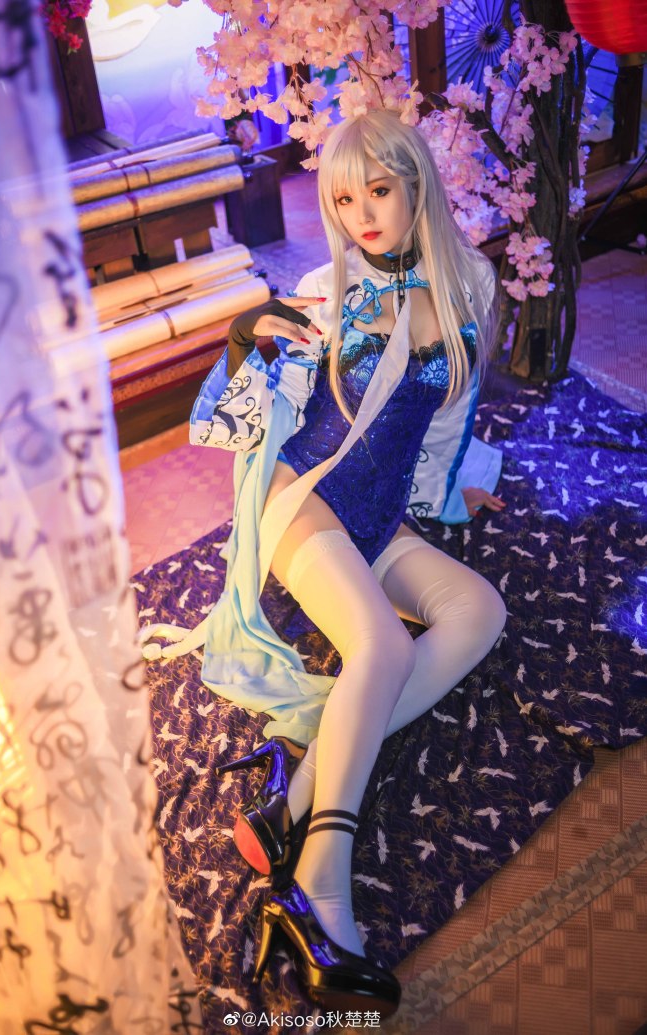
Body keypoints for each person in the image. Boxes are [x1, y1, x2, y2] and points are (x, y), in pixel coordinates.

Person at [142, 109, 507, 1018]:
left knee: (480, 612)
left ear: (416, 182)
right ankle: (320, 887)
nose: (361, 215)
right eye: (343, 200)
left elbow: (446, 422)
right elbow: (230, 426)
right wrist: (242, 350)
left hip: (380, 519)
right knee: (381, 647)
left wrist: (454, 493)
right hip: (302, 499)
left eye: (378, 190)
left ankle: (297, 785)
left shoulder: (472, 282)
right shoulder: (323, 289)